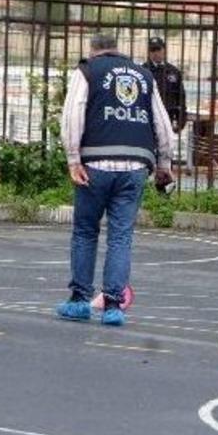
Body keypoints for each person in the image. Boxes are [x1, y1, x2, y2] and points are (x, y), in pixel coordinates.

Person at [56, 33, 176, 327]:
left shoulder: (87, 71)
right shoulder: (144, 75)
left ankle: (80, 301)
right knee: (121, 236)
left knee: (85, 231)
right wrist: (164, 163)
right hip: (136, 164)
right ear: (117, 49)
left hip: (95, 164)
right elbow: (162, 123)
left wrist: (73, 159)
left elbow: (73, 116)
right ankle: (112, 306)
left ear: (93, 50)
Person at [144, 36, 187, 132]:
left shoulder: (173, 71)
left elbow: (180, 96)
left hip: (168, 115)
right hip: (149, 116)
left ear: (164, 50)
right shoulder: (143, 71)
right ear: (149, 52)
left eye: (158, 49)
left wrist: (181, 119)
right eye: (152, 50)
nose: (155, 53)